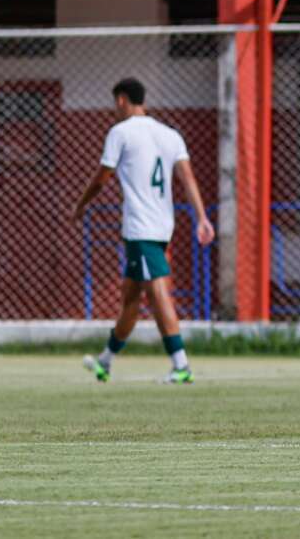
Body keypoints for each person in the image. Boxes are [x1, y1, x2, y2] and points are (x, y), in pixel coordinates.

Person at [73, 78, 215, 384]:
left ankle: (181, 364)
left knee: (157, 291)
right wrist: (201, 217)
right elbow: (187, 178)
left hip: (141, 226)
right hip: (163, 225)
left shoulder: (120, 133)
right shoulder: (169, 135)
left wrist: (81, 204)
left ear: (122, 100)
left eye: (116, 103)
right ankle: (105, 362)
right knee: (131, 297)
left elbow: (101, 178)